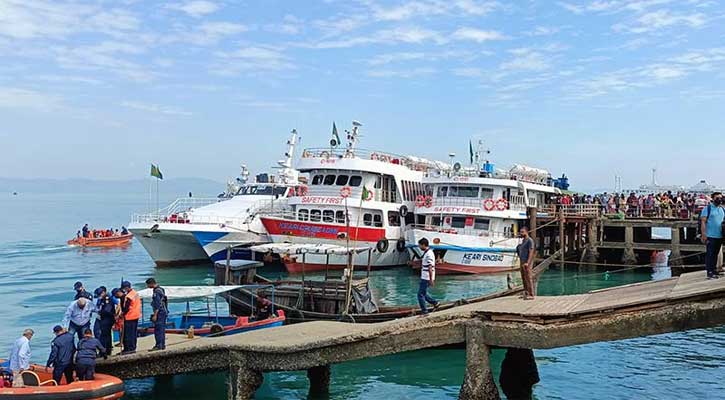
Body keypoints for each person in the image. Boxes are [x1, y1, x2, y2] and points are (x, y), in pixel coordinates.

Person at [701, 192, 724, 279]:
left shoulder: (722, 209)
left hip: (720, 236)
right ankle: (709, 272)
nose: (719, 199)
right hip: (710, 235)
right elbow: (703, 222)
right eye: (717, 198)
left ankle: (714, 270)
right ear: (713, 199)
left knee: (715, 254)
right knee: (710, 255)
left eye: (720, 198)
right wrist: (704, 234)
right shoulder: (708, 208)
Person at [417, 238, 439, 315]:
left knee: (420, 294)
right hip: (424, 276)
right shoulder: (427, 253)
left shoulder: (429, 253)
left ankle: (425, 311)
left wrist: (431, 279)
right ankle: (435, 302)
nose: (419, 247)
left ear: (423, 245)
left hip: (426, 277)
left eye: (420, 245)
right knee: (423, 293)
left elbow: (430, 267)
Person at [145, 278, 168, 351]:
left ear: (151, 284)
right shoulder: (161, 289)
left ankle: (158, 345)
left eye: (148, 285)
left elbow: (157, 304)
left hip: (160, 312)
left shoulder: (156, 292)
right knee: (162, 329)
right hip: (164, 311)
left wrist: (155, 315)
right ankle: (162, 344)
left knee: (158, 329)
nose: (148, 287)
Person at [120, 281, 141, 354]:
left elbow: (126, 308)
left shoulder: (129, 296)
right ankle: (132, 347)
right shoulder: (135, 293)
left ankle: (129, 349)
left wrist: (122, 313)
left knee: (128, 334)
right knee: (133, 333)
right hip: (136, 315)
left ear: (126, 288)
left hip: (130, 317)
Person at [94, 287, 116, 357]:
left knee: (104, 336)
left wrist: (100, 312)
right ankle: (106, 350)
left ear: (103, 293)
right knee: (105, 335)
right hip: (104, 319)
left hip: (107, 319)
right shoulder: (102, 299)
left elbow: (107, 310)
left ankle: (105, 351)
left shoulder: (107, 299)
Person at [516, 226, 536, 300]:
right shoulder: (523, 241)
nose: (521, 233)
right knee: (523, 278)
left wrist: (528, 262)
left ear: (527, 232)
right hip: (522, 261)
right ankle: (526, 292)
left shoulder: (529, 240)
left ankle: (531, 294)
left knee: (528, 277)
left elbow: (531, 252)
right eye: (520, 232)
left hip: (527, 262)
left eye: (522, 232)